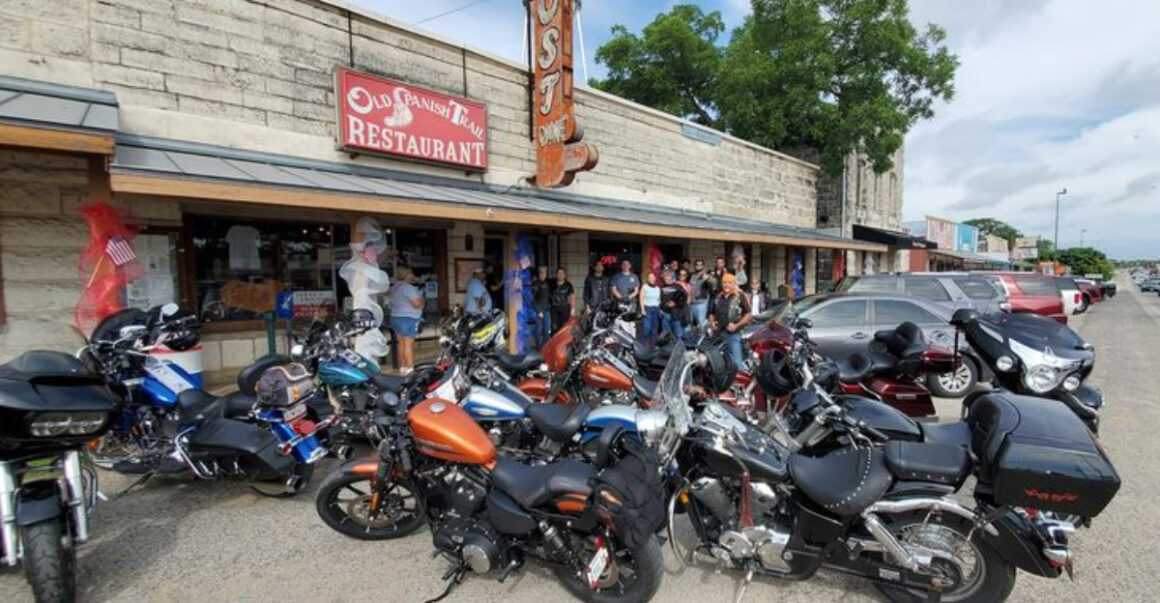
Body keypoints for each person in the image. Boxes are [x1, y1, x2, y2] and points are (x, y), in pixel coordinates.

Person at [709, 273, 752, 369]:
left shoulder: (740, 296)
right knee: (717, 362)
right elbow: (711, 313)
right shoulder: (718, 297)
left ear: (733, 284)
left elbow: (748, 314)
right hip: (718, 334)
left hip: (733, 334)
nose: (726, 285)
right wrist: (712, 323)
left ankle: (740, 378)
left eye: (729, 282)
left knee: (737, 363)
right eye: (724, 282)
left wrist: (737, 326)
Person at [387, 266, 424, 375]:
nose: (413, 276)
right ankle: (410, 368)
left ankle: (403, 367)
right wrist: (423, 302)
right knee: (408, 343)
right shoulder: (408, 288)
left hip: (395, 317)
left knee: (401, 343)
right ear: (407, 275)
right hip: (408, 318)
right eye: (411, 273)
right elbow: (417, 303)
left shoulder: (395, 287)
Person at [660, 270, 688, 342]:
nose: (665, 278)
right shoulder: (662, 288)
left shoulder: (677, 286)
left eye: (667, 276)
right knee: (666, 336)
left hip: (676, 314)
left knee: (679, 335)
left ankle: (680, 347)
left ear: (671, 277)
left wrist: (675, 303)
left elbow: (684, 297)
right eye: (664, 276)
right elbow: (660, 300)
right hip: (665, 314)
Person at [549, 267, 576, 334]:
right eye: (559, 273)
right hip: (554, 309)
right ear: (556, 274)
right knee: (554, 328)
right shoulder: (551, 283)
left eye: (562, 273)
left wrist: (573, 309)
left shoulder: (568, 284)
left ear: (565, 275)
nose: (560, 275)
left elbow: (572, 297)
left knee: (564, 327)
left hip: (565, 308)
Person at [689, 259, 713, 330]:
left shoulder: (706, 276)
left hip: (701, 303)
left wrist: (708, 280)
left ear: (703, 266)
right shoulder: (692, 276)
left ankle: (706, 335)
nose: (698, 266)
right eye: (697, 265)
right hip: (691, 303)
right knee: (692, 324)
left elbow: (711, 287)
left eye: (700, 265)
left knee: (701, 324)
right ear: (694, 266)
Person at [639, 271, 662, 348]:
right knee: (646, 328)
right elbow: (641, 299)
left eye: (653, 277)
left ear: (655, 278)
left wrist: (659, 308)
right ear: (648, 279)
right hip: (647, 308)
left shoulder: (658, 288)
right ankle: (643, 345)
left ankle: (653, 345)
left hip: (656, 309)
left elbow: (659, 299)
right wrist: (642, 310)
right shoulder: (644, 287)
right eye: (650, 277)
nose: (651, 279)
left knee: (654, 329)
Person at [531, 266, 552, 348]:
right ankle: (539, 348)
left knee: (547, 330)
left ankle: (545, 347)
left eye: (545, 273)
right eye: (542, 273)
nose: (543, 275)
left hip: (547, 310)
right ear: (539, 274)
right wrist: (539, 311)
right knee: (539, 331)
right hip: (539, 311)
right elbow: (533, 299)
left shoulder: (547, 283)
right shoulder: (535, 284)